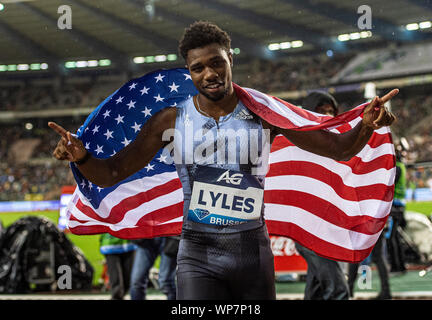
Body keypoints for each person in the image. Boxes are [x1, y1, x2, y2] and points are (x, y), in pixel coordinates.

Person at [48, 21, 397, 300]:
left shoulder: (264, 113)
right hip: (197, 255)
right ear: (189, 71)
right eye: (197, 68)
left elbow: (338, 150)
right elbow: (111, 173)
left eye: (216, 62)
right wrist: (82, 156)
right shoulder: (169, 120)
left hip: (252, 254)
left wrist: (366, 125)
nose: (209, 74)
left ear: (231, 58)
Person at [294, 91, 350, 300]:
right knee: (337, 290)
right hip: (308, 229)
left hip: (324, 226)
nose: (327, 116)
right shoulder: (297, 141)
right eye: (321, 111)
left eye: (330, 111)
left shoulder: (333, 145)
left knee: (317, 287)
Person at [347, 232, 392, 300]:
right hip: (376, 225)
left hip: (362, 226)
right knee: (378, 257)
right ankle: (386, 291)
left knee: (355, 255)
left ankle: (349, 290)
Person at [387, 146, 408, 274]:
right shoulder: (401, 166)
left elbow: (389, 183)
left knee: (392, 238)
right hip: (398, 206)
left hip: (395, 207)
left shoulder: (397, 168)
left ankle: (396, 266)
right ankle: (400, 266)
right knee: (395, 237)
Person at [99, 233, 136, 300]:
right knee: (116, 281)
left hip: (129, 244)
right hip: (110, 245)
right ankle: (116, 297)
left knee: (128, 279)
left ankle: (119, 296)